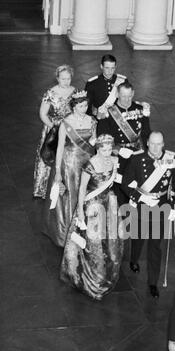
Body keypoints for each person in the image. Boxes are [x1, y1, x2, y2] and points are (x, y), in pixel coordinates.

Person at [60, 134, 124, 300]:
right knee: (93, 245)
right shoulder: (90, 164)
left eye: (110, 149)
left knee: (110, 242)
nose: (107, 152)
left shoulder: (113, 161)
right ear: (98, 148)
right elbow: (82, 189)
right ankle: (93, 281)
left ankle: (107, 275)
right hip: (93, 207)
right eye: (104, 149)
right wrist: (80, 211)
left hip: (109, 204)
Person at [122, 131, 175, 298]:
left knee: (155, 246)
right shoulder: (137, 159)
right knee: (139, 237)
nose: (156, 148)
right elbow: (126, 183)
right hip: (142, 205)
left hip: (161, 207)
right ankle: (134, 259)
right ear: (147, 143)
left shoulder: (172, 159)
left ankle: (153, 282)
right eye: (153, 143)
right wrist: (140, 197)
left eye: (159, 144)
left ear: (163, 144)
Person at [42, 90, 97, 247]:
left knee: (86, 193)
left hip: (86, 162)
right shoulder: (66, 122)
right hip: (69, 164)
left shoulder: (92, 121)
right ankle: (65, 233)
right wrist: (58, 171)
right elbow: (59, 148)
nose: (84, 108)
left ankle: (83, 227)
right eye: (80, 106)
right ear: (74, 107)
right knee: (69, 196)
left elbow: (93, 142)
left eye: (86, 105)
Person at [98, 81, 152, 206]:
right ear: (117, 94)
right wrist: (118, 149)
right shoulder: (109, 112)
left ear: (133, 93)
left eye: (129, 96)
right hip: (118, 156)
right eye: (123, 96)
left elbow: (145, 133)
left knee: (137, 185)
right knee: (120, 188)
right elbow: (102, 138)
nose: (127, 99)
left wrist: (150, 153)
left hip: (137, 154)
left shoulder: (140, 109)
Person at [33, 64, 76, 199]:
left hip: (69, 128)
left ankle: (65, 188)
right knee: (46, 157)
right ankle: (40, 189)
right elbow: (43, 114)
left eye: (68, 79)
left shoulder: (75, 91)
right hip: (53, 128)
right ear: (57, 78)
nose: (66, 82)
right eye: (63, 79)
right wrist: (54, 127)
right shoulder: (50, 93)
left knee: (67, 157)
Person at [85, 54, 126, 120]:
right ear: (101, 66)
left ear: (115, 67)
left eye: (112, 68)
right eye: (107, 68)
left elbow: (127, 102)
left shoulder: (122, 81)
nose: (110, 71)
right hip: (100, 118)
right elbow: (87, 106)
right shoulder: (92, 83)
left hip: (118, 119)